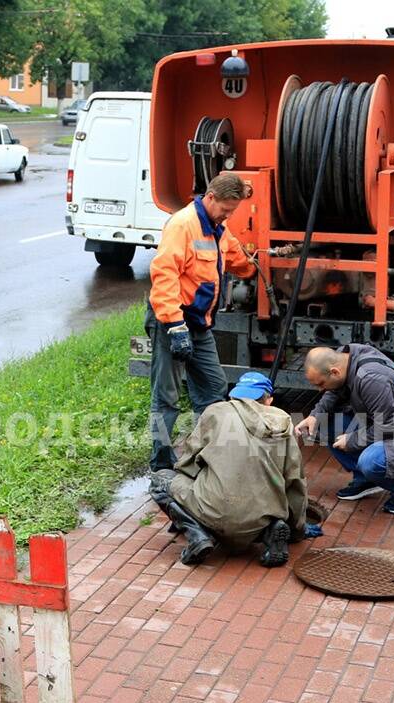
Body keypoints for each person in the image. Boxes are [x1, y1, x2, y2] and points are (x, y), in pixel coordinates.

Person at [147, 173, 257, 473]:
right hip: (172, 322)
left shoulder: (218, 228)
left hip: (199, 324)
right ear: (210, 197)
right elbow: (165, 274)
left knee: (213, 387)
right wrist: (174, 325)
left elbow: (236, 258)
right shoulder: (183, 225)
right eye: (225, 208)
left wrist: (256, 265)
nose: (228, 214)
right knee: (166, 396)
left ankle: (205, 453)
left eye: (232, 210)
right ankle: (161, 461)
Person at [149, 372, 310, 568]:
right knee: (266, 505)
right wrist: (297, 529)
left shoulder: (215, 412)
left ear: (234, 396)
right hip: (264, 515)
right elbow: (295, 480)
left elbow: (187, 464)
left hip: (216, 513)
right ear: (269, 400)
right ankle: (271, 531)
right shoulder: (284, 421)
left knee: (161, 480)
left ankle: (197, 534)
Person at [294, 345, 394, 514]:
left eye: (320, 384)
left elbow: (388, 427)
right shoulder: (344, 356)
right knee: (322, 424)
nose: (320, 389)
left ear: (335, 372)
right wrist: (315, 415)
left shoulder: (370, 378)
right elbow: (335, 390)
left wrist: (352, 440)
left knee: (370, 461)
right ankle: (367, 480)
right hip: (387, 423)